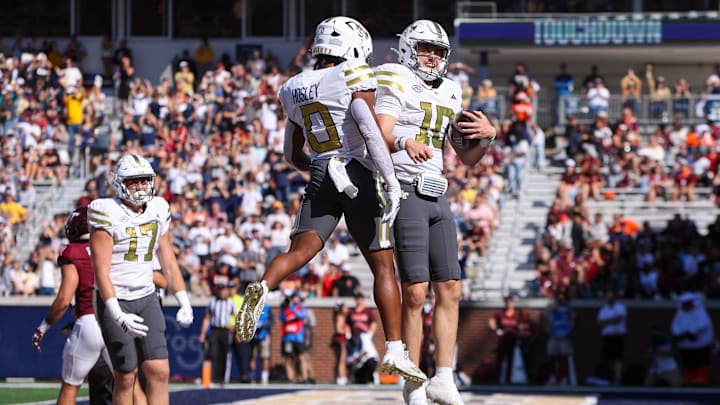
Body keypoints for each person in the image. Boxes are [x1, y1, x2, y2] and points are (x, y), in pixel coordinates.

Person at [235, 16, 424, 383]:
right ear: (353, 48)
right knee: (383, 266)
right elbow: (367, 125)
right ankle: (396, 351)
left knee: (301, 250)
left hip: (322, 171)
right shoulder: (353, 74)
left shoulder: (293, 87)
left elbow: (291, 152)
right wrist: (389, 180)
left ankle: (264, 286)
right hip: (355, 170)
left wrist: (319, 170)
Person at [374, 19, 496, 405]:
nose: (433, 57)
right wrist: (405, 141)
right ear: (408, 47)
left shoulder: (451, 91)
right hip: (403, 190)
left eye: (439, 51)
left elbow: (467, 156)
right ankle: (413, 381)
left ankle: (444, 377)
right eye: (426, 48)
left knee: (451, 289)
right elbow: (379, 129)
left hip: (437, 193)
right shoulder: (394, 76)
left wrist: (489, 137)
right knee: (415, 292)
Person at [89, 154, 194, 405]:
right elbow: (101, 270)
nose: (140, 187)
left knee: (159, 370)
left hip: (146, 297)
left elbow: (168, 260)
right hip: (115, 298)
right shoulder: (106, 211)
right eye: (133, 182)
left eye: (144, 181)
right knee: (126, 376)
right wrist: (117, 314)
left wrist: (184, 301)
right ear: (120, 183)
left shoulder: (159, 208)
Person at [31, 206, 114, 404]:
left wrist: (43, 328)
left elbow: (63, 300)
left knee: (70, 387)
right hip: (117, 322)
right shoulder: (113, 248)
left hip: (90, 322)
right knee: (130, 387)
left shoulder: (72, 251)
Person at [671, 291, 715, 386]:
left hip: (700, 345)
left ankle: (702, 382)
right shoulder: (680, 312)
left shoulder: (700, 311)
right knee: (688, 366)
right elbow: (675, 326)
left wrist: (691, 332)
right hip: (685, 346)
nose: (686, 305)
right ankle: (690, 382)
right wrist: (680, 334)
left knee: (701, 364)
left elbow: (703, 324)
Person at [198, 281, 236, 385]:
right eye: (220, 289)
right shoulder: (213, 302)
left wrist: (236, 328)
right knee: (213, 352)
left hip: (226, 330)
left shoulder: (230, 302)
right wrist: (202, 333)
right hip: (215, 330)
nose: (222, 292)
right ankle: (212, 378)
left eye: (223, 289)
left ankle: (224, 378)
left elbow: (237, 317)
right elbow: (207, 318)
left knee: (225, 354)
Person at [596, 291, 627, 385]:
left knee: (618, 358)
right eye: (608, 296)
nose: (610, 298)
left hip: (618, 336)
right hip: (607, 337)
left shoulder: (620, 307)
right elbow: (599, 323)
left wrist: (606, 321)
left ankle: (618, 378)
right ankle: (610, 378)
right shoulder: (603, 309)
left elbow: (619, 319)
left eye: (612, 296)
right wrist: (612, 320)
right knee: (608, 358)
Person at [488, 295, 519, 384]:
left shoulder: (516, 314)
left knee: (510, 361)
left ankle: (508, 380)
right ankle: (497, 379)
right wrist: (496, 329)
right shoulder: (500, 313)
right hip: (502, 341)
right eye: (508, 302)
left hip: (512, 341)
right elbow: (492, 321)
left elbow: (521, 326)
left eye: (511, 302)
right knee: (500, 360)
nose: (509, 304)